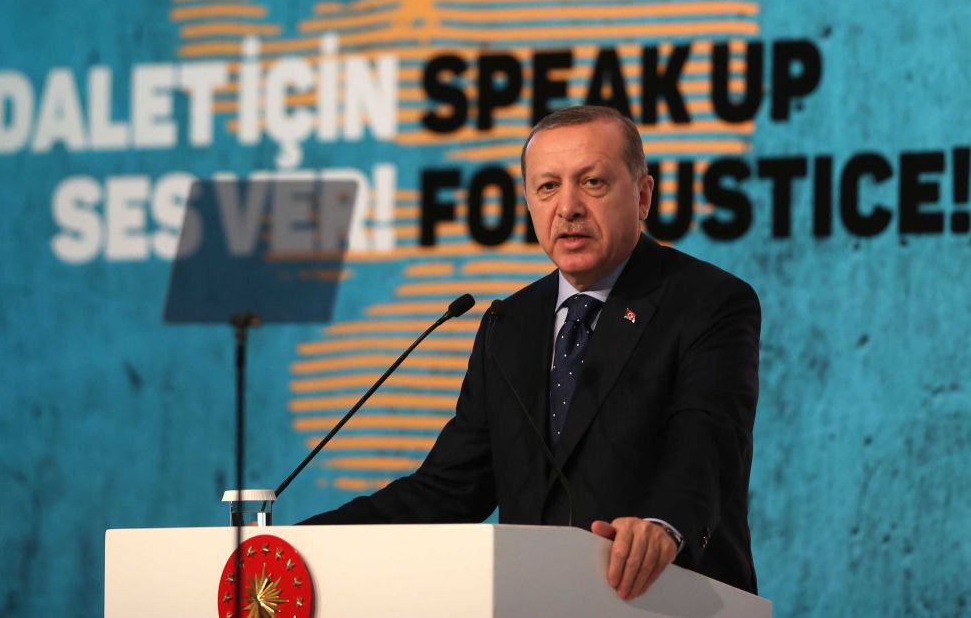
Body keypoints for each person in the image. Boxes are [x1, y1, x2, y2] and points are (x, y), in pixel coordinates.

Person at [303, 105, 761, 599]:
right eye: (548, 187)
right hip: (534, 601)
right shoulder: (509, 324)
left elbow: (707, 441)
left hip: (665, 599)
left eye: (593, 183)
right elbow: (451, 489)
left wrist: (661, 524)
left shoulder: (707, 301)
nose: (568, 208)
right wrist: (304, 540)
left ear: (643, 195)